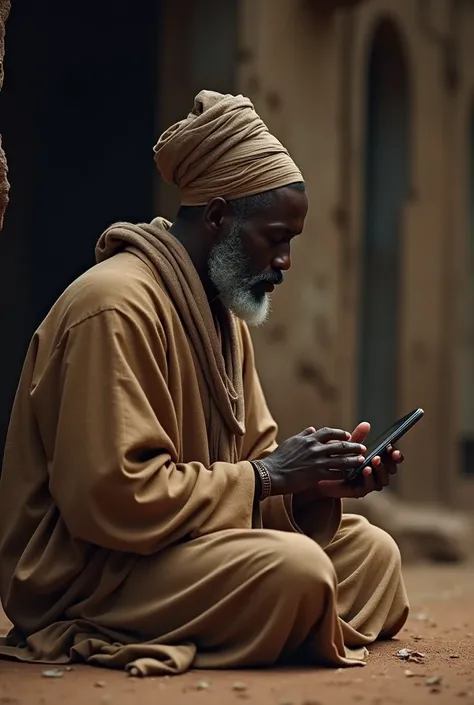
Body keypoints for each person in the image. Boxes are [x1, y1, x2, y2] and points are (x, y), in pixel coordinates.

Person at [0, 90, 408, 676]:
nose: (286, 262)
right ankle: (291, 617)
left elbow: (251, 468)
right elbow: (111, 500)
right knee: (299, 572)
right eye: (276, 238)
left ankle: (290, 619)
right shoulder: (113, 305)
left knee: (373, 554)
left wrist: (313, 486)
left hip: (179, 548)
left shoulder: (221, 313)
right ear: (217, 217)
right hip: (94, 571)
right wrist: (268, 477)